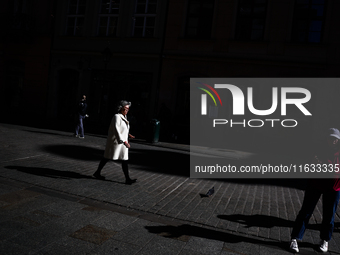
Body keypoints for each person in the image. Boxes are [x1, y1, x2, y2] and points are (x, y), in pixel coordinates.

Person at [290, 128, 340, 253]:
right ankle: (295, 238)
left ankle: (325, 240)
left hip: (334, 188)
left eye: (335, 139)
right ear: (327, 138)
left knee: (329, 216)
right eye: (331, 138)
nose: (333, 141)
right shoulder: (319, 150)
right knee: (306, 212)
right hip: (316, 184)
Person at [93, 100, 136, 184]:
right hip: (116, 142)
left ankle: (127, 179)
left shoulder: (124, 117)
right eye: (125, 108)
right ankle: (97, 172)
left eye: (128, 108)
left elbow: (122, 129)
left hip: (123, 142)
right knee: (107, 157)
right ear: (120, 108)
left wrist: (128, 134)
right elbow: (116, 130)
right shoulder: (116, 116)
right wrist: (124, 141)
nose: (127, 110)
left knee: (124, 159)